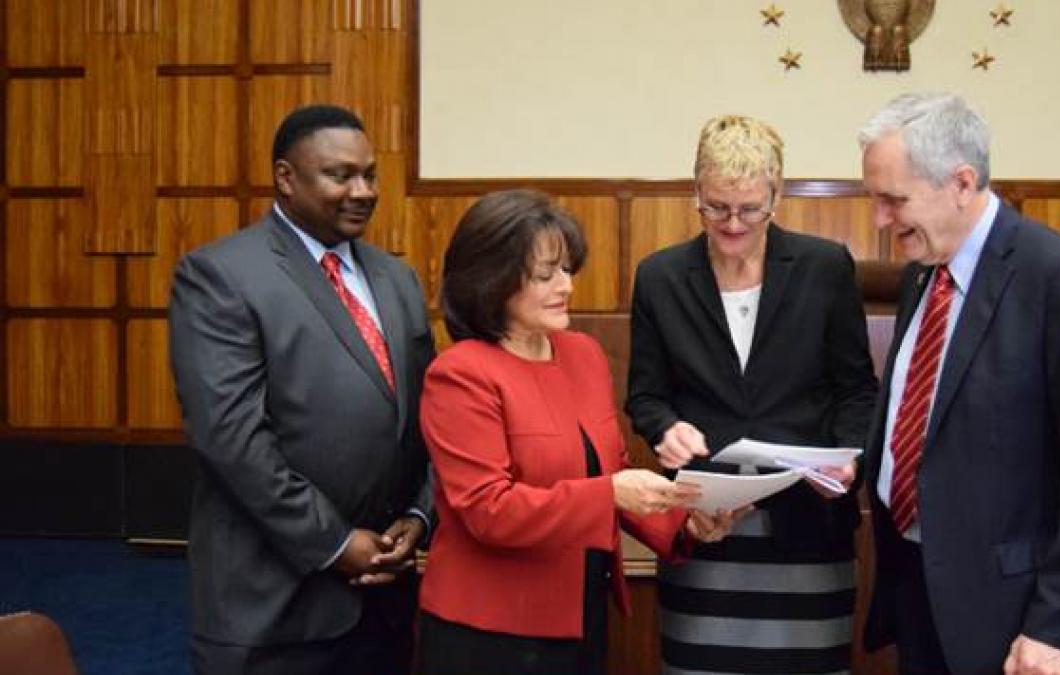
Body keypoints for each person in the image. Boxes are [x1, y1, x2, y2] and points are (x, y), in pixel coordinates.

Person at [857, 92, 1060, 675]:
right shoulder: (924, 274)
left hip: (1016, 623)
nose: (880, 221)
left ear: (961, 182)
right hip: (921, 596)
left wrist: (1057, 627)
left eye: (894, 200)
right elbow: (926, 424)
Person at [416, 189, 741, 675]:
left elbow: (610, 473)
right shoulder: (460, 374)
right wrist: (611, 492)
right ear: (491, 280)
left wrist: (682, 521)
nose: (566, 285)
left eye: (567, 268)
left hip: (582, 615)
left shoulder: (583, 355)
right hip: (491, 631)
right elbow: (489, 509)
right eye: (545, 274)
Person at [169, 104, 434, 675]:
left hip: (385, 599)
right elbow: (231, 438)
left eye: (369, 174)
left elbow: (430, 416)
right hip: (274, 606)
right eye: (340, 175)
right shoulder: (220, 276)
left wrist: (420, 514)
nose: (362, 191)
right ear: (286, 178)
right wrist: (337, 544)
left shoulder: (397, 278)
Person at [626, 115, 880, 675]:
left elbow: (857, 390)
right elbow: (646, 395)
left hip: (809, 526)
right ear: (696, 192)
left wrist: (851, 460)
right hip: (707, 527)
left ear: (777, 195)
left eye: (749, 208)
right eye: (716, 207)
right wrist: (666, 429)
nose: (733, 223)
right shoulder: (660, 277)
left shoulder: (824, 267)